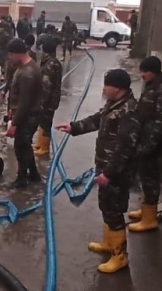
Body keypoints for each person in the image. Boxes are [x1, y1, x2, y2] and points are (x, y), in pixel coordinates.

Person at [56, 69, 140, 273]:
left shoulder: (128, 112)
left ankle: (119, 256)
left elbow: (124, 148)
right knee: (106, 206)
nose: (104, 89)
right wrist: (74, 127)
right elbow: (97, 119)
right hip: (106, 166)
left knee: (114, 211)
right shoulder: (114, 104)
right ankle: (109, 243)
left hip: (116, 172)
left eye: (107, 85)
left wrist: (109, 173)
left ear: (117, 88)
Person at [127, 57, 162, 232]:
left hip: (152, 144)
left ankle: (150, 219)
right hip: (144, 140)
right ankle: (146, 209)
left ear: (153, 72)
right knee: (144, 177)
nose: (142, 75)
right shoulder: (152, 87)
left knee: (151, 179)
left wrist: (149, 146)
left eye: (145, 72)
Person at [4, 38, 43, 189]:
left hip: (28, 116)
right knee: (25, 145)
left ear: (18, 53)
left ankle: (21, 180)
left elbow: (24, 103)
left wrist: (14, 123)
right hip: (26, 115)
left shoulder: (28, 73)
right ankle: (33, 175)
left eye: (11, 55)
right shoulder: (25, 67)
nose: (10, 58)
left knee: (20, 147)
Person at [33, 36, 62, 158]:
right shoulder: (51, 62)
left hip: (48, 101)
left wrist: (41, 102)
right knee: (42, 121)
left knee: (45, 122)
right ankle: (40, 143)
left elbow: (46, 86)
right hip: (49, 99)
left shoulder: (50, 64)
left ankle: (44, 147)